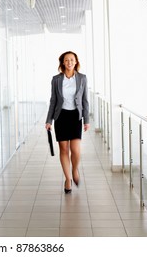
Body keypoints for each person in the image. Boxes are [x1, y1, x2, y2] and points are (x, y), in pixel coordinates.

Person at [45, 51, 90, 194]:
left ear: (76, 62)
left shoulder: (82, 78)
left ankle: (75, 169)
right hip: (61, 116)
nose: (69, 62)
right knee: (64, 150)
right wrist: (49, 120)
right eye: (66, 60)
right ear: (63, 63)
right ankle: (68, 179)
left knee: (76, 150)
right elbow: (53, 100)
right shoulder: (56, 79)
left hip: (75, 117)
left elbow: (85, 100)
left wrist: (86, 120)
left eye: (72, 60)